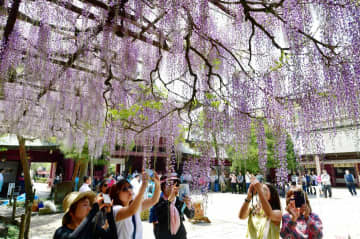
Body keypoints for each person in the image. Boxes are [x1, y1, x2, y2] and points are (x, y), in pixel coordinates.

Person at [110, 171, 161, 239]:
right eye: (124, 189)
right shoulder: (115, 209)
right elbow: (131, 210)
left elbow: (154, 200)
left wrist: (157, 184)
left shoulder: (134, 206)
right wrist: (143, 187)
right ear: (117, 194)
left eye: (130, 187)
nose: (129, 190)